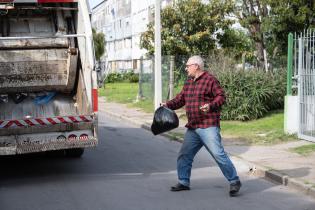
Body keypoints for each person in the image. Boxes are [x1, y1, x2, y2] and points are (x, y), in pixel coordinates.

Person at [162, 55, 241, 196]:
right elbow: (180, 99)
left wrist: (210, 106)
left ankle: (234, 181)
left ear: (196, 66)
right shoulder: (189, 82)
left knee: (218, 154)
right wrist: (167, 104)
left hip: (208, 125)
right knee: (184, 155)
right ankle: (184, 182)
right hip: (193, 127)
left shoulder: (210, 80)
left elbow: (221, 96)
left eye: (188, 66)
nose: (186, 68)